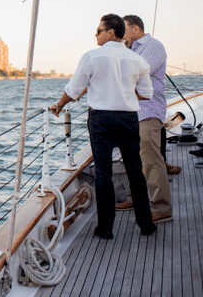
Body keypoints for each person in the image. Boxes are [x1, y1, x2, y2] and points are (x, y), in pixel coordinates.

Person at [51, 14, 156, 239]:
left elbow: (73, 89)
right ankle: (146, 224)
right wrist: (124, 94)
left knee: (103, 172)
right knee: (135, 171)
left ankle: (105, 228)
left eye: (98, 31)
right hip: (128, 118)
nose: (95, 35)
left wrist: (59, 105)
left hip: (101, 119)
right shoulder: (137, 60)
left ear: (110, 32)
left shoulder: (91, 57)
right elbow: (147, 93)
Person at [120, 15, 173, 222]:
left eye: (124, 28)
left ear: (135, 29)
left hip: (147, 111)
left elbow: (139, 73)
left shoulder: (153, 45)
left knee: (150, 160)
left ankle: (162, 207)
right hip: (130, 111)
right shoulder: (128, 49)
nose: (121, 33)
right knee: (131, 159)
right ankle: (135, 197)